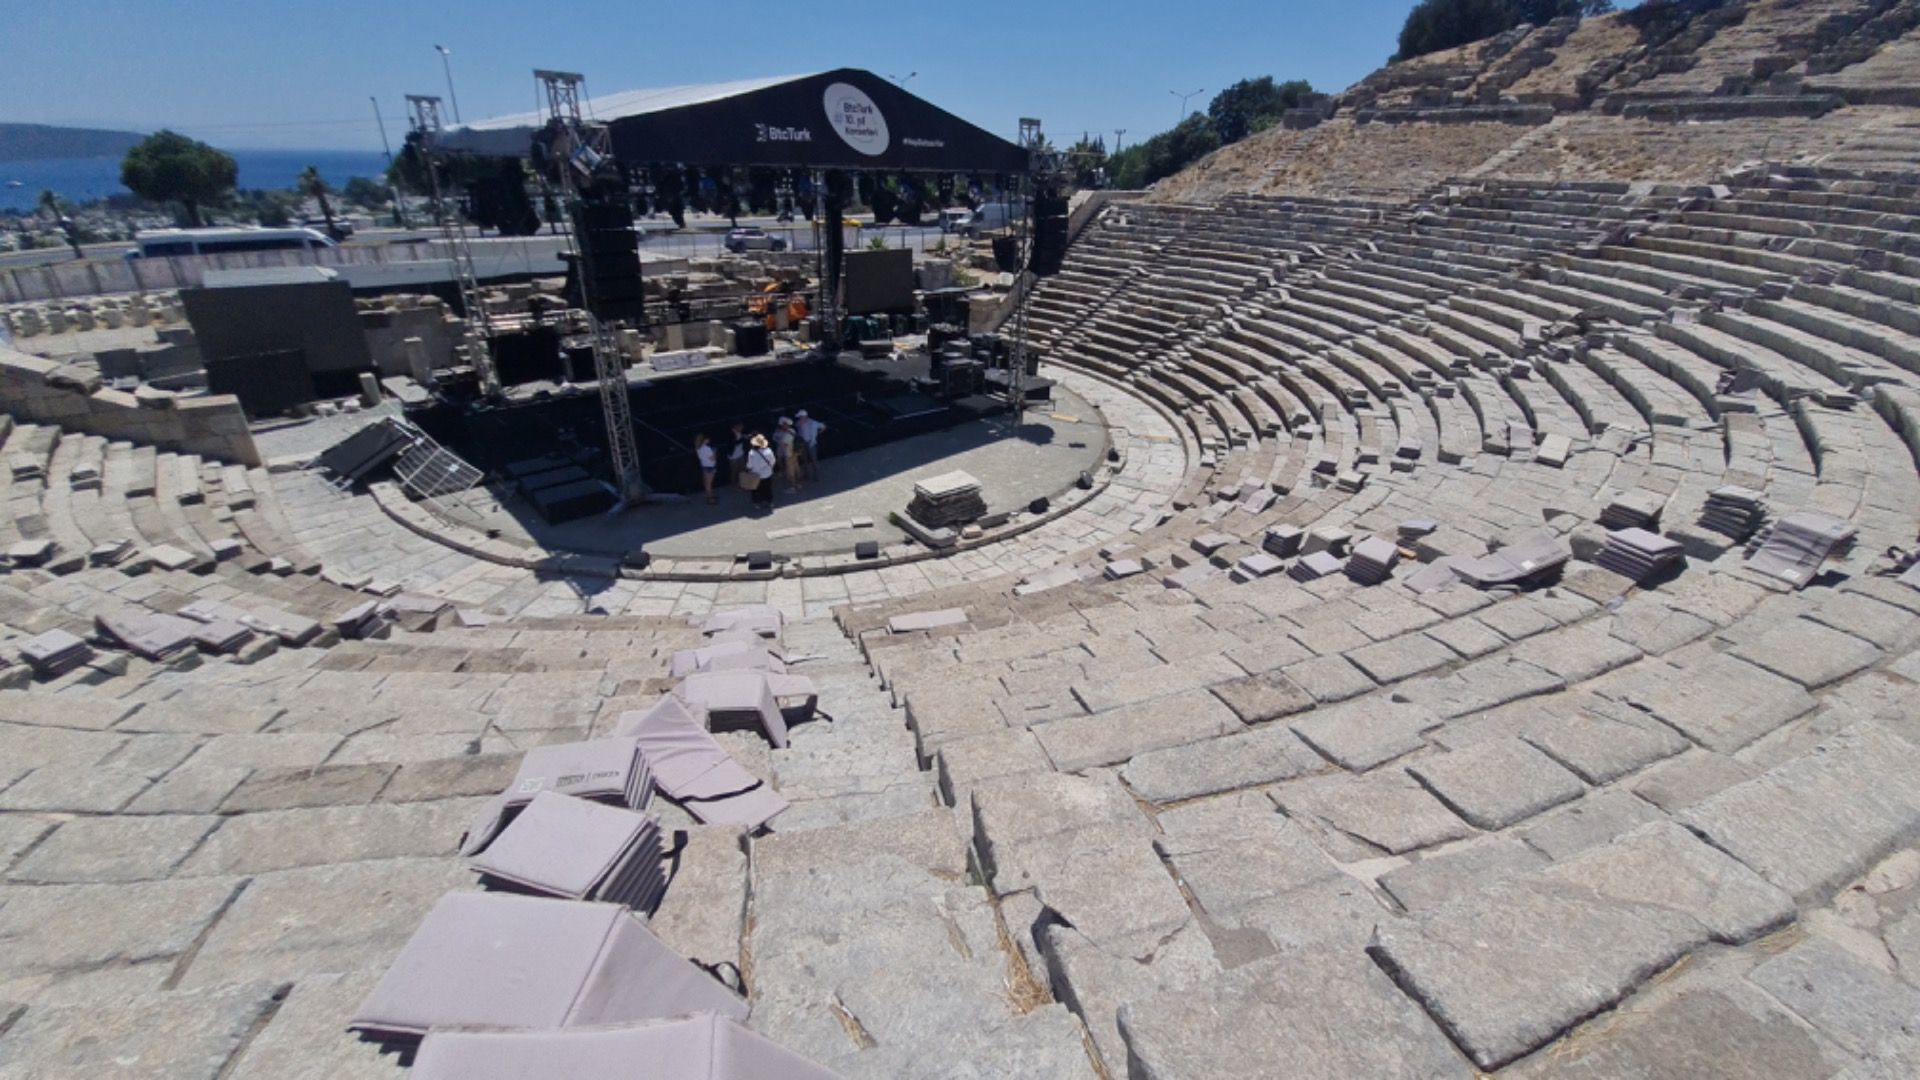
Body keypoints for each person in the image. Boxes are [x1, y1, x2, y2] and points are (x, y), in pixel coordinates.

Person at [743, 434, 777, 513]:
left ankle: (757, 503)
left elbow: (750, 465)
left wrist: (748, 469)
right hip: (767, 473)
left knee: (756, 489)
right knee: (768, 488)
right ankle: (769, 502)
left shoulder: (751, 453)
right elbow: (773, 461)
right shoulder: (768, 451)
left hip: (756, 474)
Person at [773, 417, 802, 494]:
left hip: (789, 455)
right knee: (796, 469)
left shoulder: (786, 435)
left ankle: (792, 487)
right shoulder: (793, 431)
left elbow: (784, 445)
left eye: (783, 424)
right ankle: (798, 484)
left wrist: (780, 443)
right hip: (795, 454)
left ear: (786, 424)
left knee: (790, 472)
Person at [794, 409, 825, 480]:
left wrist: (817, 434)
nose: (800, 418)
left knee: (813, 459)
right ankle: (806, 474)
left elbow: (823, 426)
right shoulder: (799, 423)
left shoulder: (813, 423)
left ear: (804, 417)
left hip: (811, 443)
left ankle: (816, 475)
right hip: (802, 443)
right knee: (804, 459)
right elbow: (797, 428)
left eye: (800, 417)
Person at [694, 433, 717, 504]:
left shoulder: (698, 448)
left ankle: (709, 495)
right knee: (709, 483)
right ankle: (710, 498)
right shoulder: (707, 449)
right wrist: (715, 453)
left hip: (704, 465)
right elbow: (712, 458)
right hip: (710, 467)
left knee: (706, 482)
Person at [726, 422, 749, 486]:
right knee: (734, 471)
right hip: (733, 455)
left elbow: (746, 435)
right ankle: (733, 484)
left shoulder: (742, 431)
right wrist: (743, 438)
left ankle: (744, 483)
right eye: (740, 427)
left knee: (743, 468)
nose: (741, 428)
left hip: (740, 453)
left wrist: (746, 436)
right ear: (736, 427)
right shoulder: (730, 434)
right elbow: (734, 443)